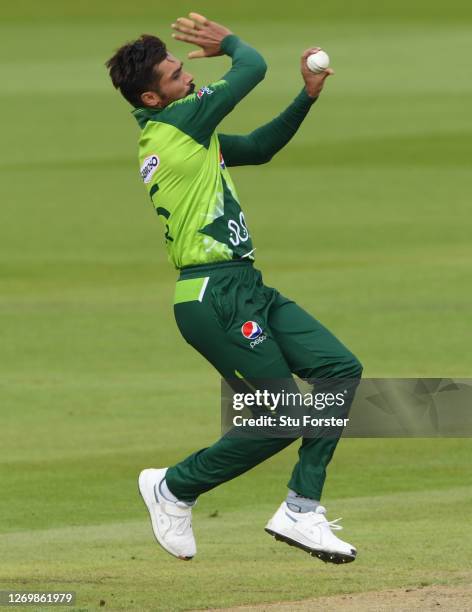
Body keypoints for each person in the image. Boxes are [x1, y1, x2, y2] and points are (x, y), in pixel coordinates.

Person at [106, 12, 362, 564]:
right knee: (281, 419)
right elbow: (253, 66)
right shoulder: (179, 127)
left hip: (245, 285)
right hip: (211, 296)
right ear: (153, 99)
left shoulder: (191, 137)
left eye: (182, 71)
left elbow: (260, 147)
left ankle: (301, 509)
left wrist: (307, 97)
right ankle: (173, 487)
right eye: (176, 77)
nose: (188, 79)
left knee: (339, 369)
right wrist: (228, 43)